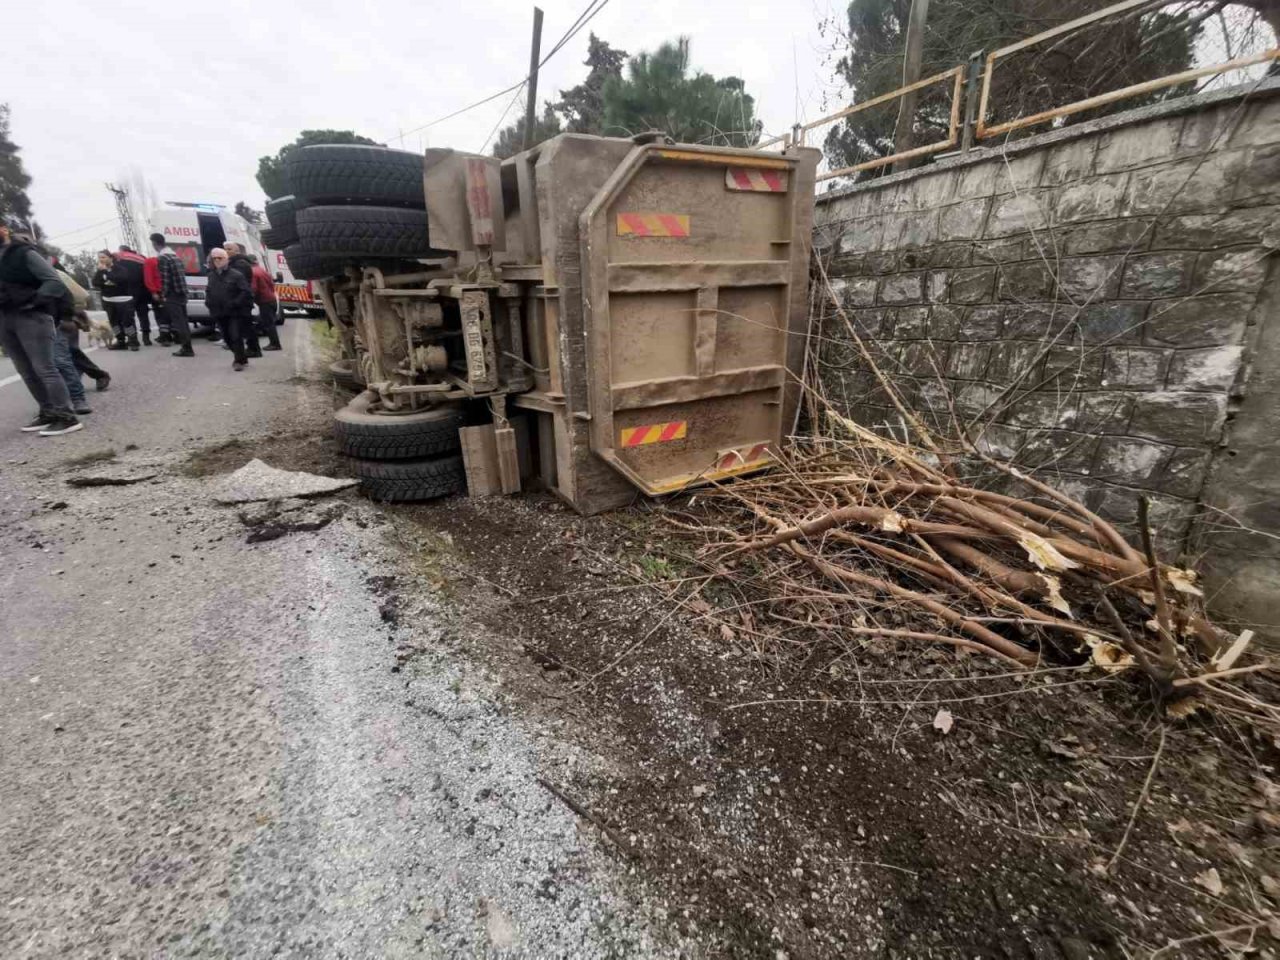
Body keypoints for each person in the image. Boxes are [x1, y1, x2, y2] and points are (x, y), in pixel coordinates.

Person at [0, 216, 82, 435]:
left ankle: (66, 416)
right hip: (5, 318)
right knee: (25, 370)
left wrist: (34, 301)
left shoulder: (23, 253)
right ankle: (48, 412)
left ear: (4, 229)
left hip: (32, 317)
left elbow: (54, 282)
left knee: (44, 368)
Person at [51, 258, 110, 392]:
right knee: (58, 355)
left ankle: (94, 377)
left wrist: (75, 315)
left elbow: (80, 296)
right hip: (37, 320)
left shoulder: (54, 273)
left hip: (63, 318)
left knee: (69, 352)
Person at [205, 247, 254, 370]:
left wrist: (235, 303)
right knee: (227, 337)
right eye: (214, 258)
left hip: (234, 312)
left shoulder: (236, 275)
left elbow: (245, 291)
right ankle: (242, 357)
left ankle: (238, 361)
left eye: (219, 258)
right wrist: (208, 302)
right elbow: (209, 290)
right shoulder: (212, 275)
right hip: (219, 312)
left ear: (226, 259)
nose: (217, 261)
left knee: (235, 336)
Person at [150, 233, 194, 357]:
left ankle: (187, 348)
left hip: (172, 294)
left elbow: (165, 279)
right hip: (181, 292)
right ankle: (188, 346)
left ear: (154, 243)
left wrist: (163, 294)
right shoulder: (175, 255)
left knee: (179, 322)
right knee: (183, 321)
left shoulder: (163, 257)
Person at [92, 251, 139, 350]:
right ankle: (120, 340)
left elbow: (120, 279)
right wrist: (101, 275)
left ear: (110, 258)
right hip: (108, 300)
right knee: (114, 323)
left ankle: (133, 341)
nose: (101, 260)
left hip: (124, 300)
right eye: (99, 258)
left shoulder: (120, 269)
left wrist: (106, 272)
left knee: (127, 322)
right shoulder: (100, 271)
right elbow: (95, 282)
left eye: (103, 257)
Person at [223, 242, 262, 358]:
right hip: (240, 300)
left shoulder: (240, 264)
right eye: (225, 249)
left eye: (229, 249)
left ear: (236, 251)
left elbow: (240, 284)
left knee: (246, 326)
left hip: (242, 301)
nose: (226, 251)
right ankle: (252, 348)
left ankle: (254, 349)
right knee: (245, 326)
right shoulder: (235, 263)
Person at [115, 245, 155, 345]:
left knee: (128, 318)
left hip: (127, 291)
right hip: (142, 291)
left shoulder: (118, 257)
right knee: (143, 315)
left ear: (122, 250)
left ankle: (132, 339)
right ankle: (146, 339)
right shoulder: (141, 258)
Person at [248, 255, 282, 351]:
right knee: (270, 323)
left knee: (269, 324)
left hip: (264, 301)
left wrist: (249, 299)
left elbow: (253, 289)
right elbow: (272, 284)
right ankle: (274, 343)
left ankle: (275, 344)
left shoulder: (253, 272)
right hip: (271, 299)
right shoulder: (262, 270)